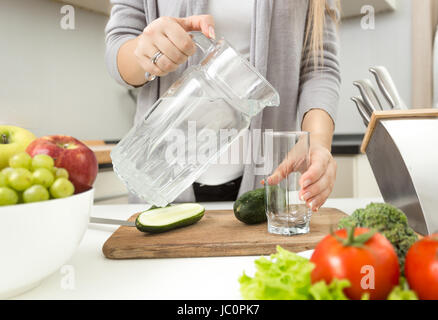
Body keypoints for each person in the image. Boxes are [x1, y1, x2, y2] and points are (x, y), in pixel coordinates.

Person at [105, 0, 341, 212]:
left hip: (264, 185)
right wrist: (147, 52)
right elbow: (119, 49)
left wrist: (317, 142)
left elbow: (320, 67)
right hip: (156, 177)